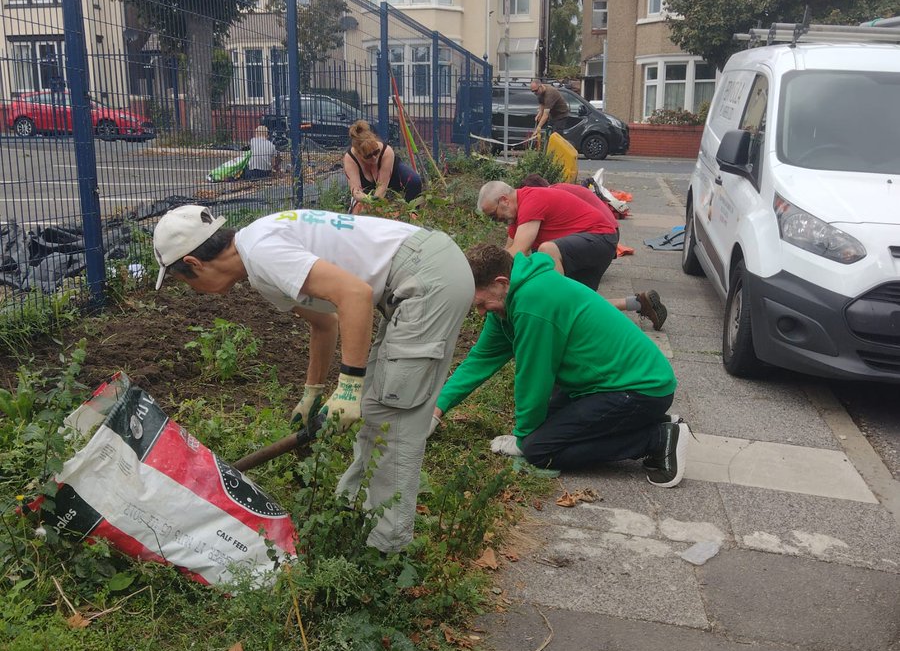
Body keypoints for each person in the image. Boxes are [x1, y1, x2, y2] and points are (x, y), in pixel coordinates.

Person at [152, 203, 473, 553]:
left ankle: (385, 551)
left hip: (427, 277)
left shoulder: (262, 251)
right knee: (376, 406)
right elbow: (325, 323)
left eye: (186, 284)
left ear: (194, 264)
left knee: (393, 417)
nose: (194, 293)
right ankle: (354, 510)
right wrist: (313, 393)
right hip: (417, 274)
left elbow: (355, 295)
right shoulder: (258, 260)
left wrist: (349, 385)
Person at [431, 244, 688, 487]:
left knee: (540, 450)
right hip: (606, 385)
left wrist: (524, 439)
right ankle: (650, 423)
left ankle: (656, 440)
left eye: (480, 303)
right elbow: (480, 360)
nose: (479, 312)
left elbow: (535, 376)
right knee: (541, 431)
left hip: (640, 390)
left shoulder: (533, 301)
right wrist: (436, 409)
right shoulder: (506, 303)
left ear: (500, 283)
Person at [477, 179, 667, 329]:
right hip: (593, 242)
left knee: (546, 252)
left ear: (504, 200)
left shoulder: (531, 199)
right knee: (577, 305)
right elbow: (506, 257)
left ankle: (553, 312)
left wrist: (482, 278)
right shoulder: (516, 218)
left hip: (602, 238)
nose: (497, 221)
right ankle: (639, 303)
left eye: (494, 215)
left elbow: (517, 252)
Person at [343, 120, 422, 212]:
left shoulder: (386, 151)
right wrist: (369, 200)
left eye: (376, 152)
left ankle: (412, 215)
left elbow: (381, 189)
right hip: (366, 190)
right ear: (359, 154)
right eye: (368, 156)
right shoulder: (350, 158)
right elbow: (356, 191)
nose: (374, 157)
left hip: (391, 176)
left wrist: (376, 202)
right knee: (359, 208)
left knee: (414, 181)